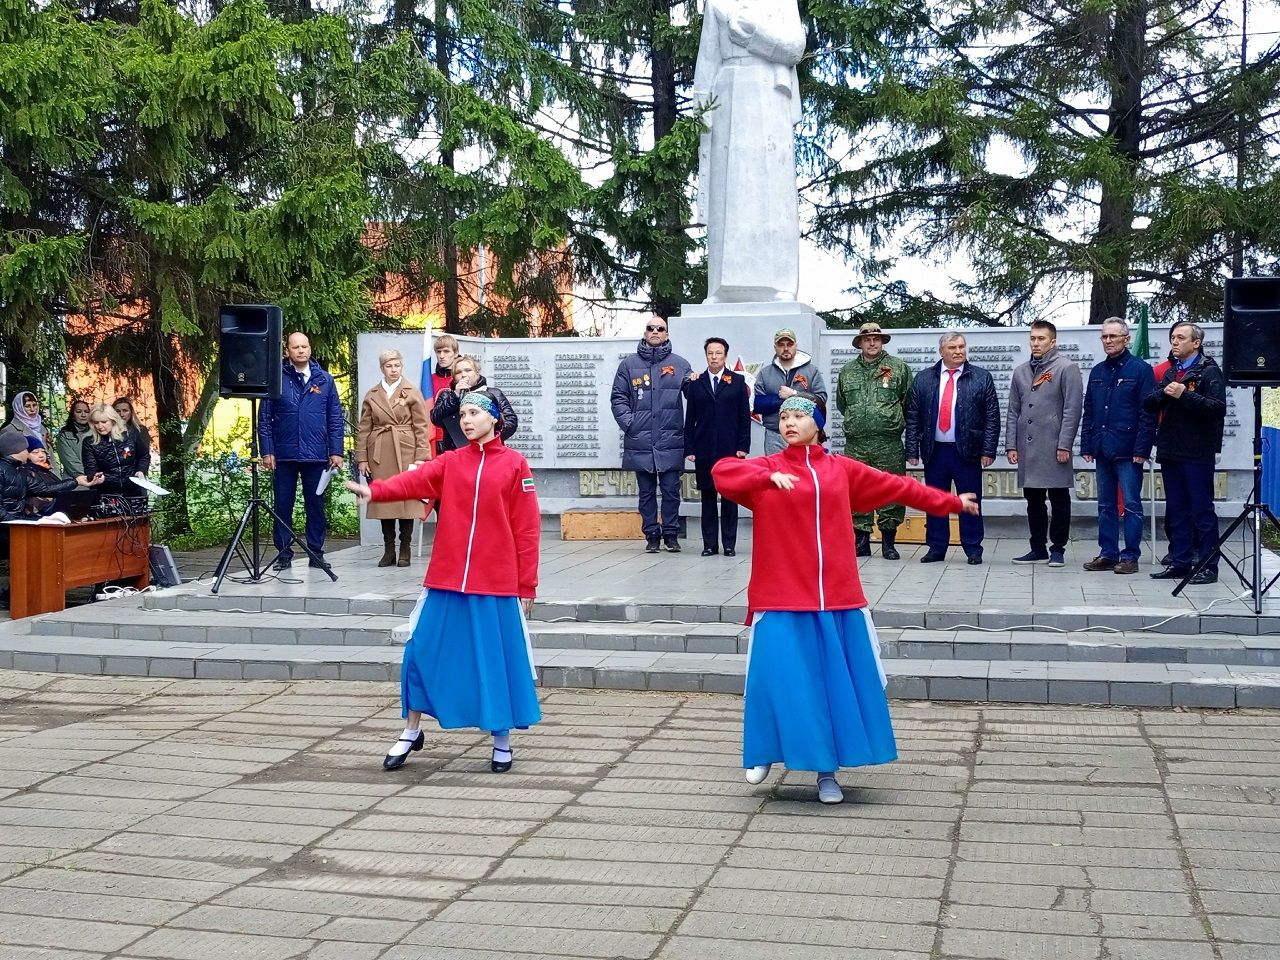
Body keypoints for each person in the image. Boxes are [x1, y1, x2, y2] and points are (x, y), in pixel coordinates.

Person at [713, 393, 979, 804]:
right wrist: (764, 479)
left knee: (829, 689)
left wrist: (949, 502)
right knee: (776, 681)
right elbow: (722, 472)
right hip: (782, 598)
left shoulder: (841, 471)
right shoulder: (768, 468)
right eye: (784, 416)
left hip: (834, 599)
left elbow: (900, 487)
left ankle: (826, 774)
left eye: (800, 416)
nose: (789, 422)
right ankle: (766, 749)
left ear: (818, 425)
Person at [345, 391, 541, 774]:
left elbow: (527, 529)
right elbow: (413, 481)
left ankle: (501, 740)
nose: (466, 420)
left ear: (494, 419)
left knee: (492, 661)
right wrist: (375, 491)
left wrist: (527, 584)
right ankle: (410, 729)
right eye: (463, 414)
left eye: (474, 413)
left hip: (494, 584)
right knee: (420, 653)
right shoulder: (450, 461)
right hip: (446, 580)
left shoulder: (516, 465)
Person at [692, 0, 806, 304]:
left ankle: (780, 282)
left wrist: (752, 33)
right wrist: (701, 108)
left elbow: (795, 47)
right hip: (727, 91)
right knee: (727, 195)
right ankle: (720, 287)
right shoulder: (718, 3)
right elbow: (707, 58)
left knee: (774, 194)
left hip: (770, 91)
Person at [904, 332, 1000, 565]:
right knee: (936, 500)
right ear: (941, 352)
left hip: (967, 450)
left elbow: (992, 416)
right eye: (952, 347)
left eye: (961, 346)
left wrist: (988, 450)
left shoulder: (981, 377)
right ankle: (936, 547)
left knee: (970, 500)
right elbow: (913, 416)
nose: (958, 351)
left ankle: (973, 548)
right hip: (934, 450)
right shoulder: (924, 378)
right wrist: (912, 450)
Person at [1142, 322, 1226, 585]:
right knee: (1176, 509)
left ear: (1196, 343)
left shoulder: (1209, 371)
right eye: (1173, 338)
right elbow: (1147, 403)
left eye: (1180, 338)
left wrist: (1184, 395)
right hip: (1170, 449)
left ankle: (1208, 565)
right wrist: (1166, 394)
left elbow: (1217, 408)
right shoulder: (1173, 372)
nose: (1174, 342)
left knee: (1201, 509)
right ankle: (1180, 561)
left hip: (1197, 451)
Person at [258, 332, 346, 571]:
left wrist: (336, 451)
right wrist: (267, 451)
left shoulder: (325, 379)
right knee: (282, 505)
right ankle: (283, 554)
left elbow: (335, 418)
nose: (300, 351)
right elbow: (264, 418)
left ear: (310, 349)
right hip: (283, 455)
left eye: (304, 346)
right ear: (287, 351)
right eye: (295, 347)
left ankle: (316, 553)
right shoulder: (276, 378)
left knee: (315, 505)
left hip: (317, 455)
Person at [1080, 319, 1157, 575]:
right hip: (1102, 447)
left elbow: (1148, 413)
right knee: (1105, 505)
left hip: (1128, 449)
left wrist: (1142, 449)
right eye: (1104, 337)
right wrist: (1087, 444)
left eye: (1113, 336)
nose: (1108, 340)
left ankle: (1130, 556)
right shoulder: (1098, 371)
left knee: (1132, 504)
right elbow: (1089, 410)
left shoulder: (1141, 370)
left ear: (1126, 339)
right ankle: (1108, 553)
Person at [1006, 320, 1084, 568]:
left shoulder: (1066, 368)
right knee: (1033, 500)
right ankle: (1037, 548)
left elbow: (1072, 410)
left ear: (1053, 341)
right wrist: (1011, 445)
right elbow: (1013, 411)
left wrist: (1064, 445)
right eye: (1033, 338)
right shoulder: (1020, 371)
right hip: (1028, 448)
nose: (1036, 343)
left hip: (1053, 446)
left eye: (1041, 338)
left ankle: (1058, 548)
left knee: (1059, 499)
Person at [610, 317, 692, 553]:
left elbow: (695, 397)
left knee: (670, 490)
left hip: (670, 440)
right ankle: (651, 535)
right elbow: (618, 398)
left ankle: (671, 534)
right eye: (650, 328)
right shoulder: (628, 365)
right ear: (644, 333)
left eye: (660, 329)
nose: (655, 332)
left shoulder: (681, 364)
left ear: (667, 334)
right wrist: (630, 424)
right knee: (646, 492)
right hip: (641, 440)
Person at [836, 322, 914, 559]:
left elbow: (908, 402)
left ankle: (889, 542)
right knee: (857, 491)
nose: (872, 343)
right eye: (867, 339)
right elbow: (842, 404)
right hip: (857, 443)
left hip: (888, 442)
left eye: (876, 339)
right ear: (859, 343)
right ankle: (861, 541)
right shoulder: (847, 371)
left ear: (882, 342)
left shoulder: (898, 368)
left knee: (890, 489)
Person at [355, 349, 431, 568]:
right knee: (384, 500)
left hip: (405, 449)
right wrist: (362, 457)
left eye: (397, 365)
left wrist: (421, 457)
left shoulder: (411, 391)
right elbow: (364, 428)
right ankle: (389, 549)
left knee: (406, 500)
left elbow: (421, 427)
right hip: (379, 452)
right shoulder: (372, 394)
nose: (393, 369)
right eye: (389, 366)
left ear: (402, 365)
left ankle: (405, 547)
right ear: (382, 368)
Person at [683, 337, 751, 557]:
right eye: (710, 353)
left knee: (730, 497)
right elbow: (690, 418)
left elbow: (744, 417)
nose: (714, 357)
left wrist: (743, 446)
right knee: (708, 497)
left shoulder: (737, 382)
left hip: (730, 448)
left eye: (718, 353)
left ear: (725, 356)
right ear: (706, 355)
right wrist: (690, 448)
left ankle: (729, 544)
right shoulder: (696, 383)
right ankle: (709, 544)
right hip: (703, 449)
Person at [753, 328, 828, 454]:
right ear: (775, 347)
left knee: (804, 472)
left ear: (796, 346)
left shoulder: (811, 371)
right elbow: (757, 404)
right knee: (777, 472)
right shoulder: (765, 373)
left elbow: (821, 398)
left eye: (790, 344)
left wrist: (794, 395)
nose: (786, 348)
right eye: (781, 345)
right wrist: (778, 400)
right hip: (774, 435)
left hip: (805, 434)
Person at [431, 356, 518, 453]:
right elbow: (435, 418)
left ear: (477, 373)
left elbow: (511, 421)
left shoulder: (494, 393)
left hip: (489, 451)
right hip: (457, 452)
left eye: (468, 370)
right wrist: (455, 396)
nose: (463, 375)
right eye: (458, 372)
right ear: (454, 377)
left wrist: (490, 436)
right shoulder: (447, 396)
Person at [78, 403, 149, 503]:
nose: (99, 426)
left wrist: (141, 470)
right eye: (96, 422)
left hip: (133, 492)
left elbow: (144, 455)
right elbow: (90, 469)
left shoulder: (130, 434)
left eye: (104, 422)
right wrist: (95, 476)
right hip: (105, 495)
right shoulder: (89, 442)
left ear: (113, 421)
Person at [21, 440, 81, 513]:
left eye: (43, 451)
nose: (41, 455)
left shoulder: (46, 471)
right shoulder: (25, 472)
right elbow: (44, 489)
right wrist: (75, 481)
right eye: (35, 452)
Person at [428, 334, 460, 456]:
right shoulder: (428, 381)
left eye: (446, 351)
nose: (441, 356)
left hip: (457, 439)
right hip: (432, 439)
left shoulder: (461, 379)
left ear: (455, 353)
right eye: (438, 352)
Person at [55, 400, 93, 479]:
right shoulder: (64, 435)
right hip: (75, 481)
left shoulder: (95, 433)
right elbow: (70, 462)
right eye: (79, 412)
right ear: (72, 415)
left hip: (97, 480)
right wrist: (89, 476)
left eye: (86, 412)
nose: (83, 415)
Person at [112, 397, 153, 469]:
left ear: (131, 412)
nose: (121, 414)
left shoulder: (140, 430)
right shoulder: (109, 431)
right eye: (117, 411)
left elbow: (144, 456)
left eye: (125, 410)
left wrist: (141, 471)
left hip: (135, 472)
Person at [0, 431, 32, 522]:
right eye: (26, 449)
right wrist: (18, 522)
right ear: (18, 451)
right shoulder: (2, 470)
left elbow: (42, 488)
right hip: (7, 526)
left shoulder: (19, 470)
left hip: (15, 521)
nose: (28, 453)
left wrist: (74, 481)